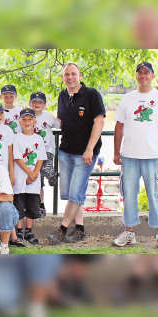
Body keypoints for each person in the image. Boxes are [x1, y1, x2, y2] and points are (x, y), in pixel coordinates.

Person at [112, 62, 158, 250]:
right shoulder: (127, 99)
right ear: (136, 76)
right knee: (129, 195)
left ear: (153, 76)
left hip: (155, 157)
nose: (143, 76)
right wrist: (116, 152)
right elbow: (119, 127)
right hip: (130, 156)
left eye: (146, 73)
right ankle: (129, 233)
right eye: (140, 73)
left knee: (156, 195)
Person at [48, 62, 105, 245]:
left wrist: (89, 148)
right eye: (66, 74)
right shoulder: (62, 96)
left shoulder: (92, 95)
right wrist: (41, 121)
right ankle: (79, 228)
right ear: (63, 77)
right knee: (72, 193)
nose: (70, 77)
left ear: (79, 75)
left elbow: (99, 122)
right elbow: (62, 121)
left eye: (73, 74)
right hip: (65, 152)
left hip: (85, 154)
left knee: (75, 193)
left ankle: (62, 229)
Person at [13, 108, 46, 245]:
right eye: (24, 119)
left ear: (35, 122)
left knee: (32, 206)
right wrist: (29, 173)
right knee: (19, 205)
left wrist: (34, 174)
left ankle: (29, 231)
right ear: (20, 122)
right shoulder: (16, 138)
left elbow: (40, 158)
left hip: (34, 179)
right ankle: (19, 230)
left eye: (30, 119)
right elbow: (18, 158)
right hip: (21, 177)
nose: (27, 122)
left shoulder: (38, 138)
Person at [30, 91, 61, 216]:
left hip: (47, 149)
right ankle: (40, 205)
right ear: (30, 103)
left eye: (40, 102)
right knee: (38, 180)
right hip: (34, 152)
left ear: (44, 104)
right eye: (35, 102)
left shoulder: (48, 116)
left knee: (46, 168)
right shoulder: (27, 116)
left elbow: (58, 125)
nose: (37, 104)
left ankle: (52, 174)